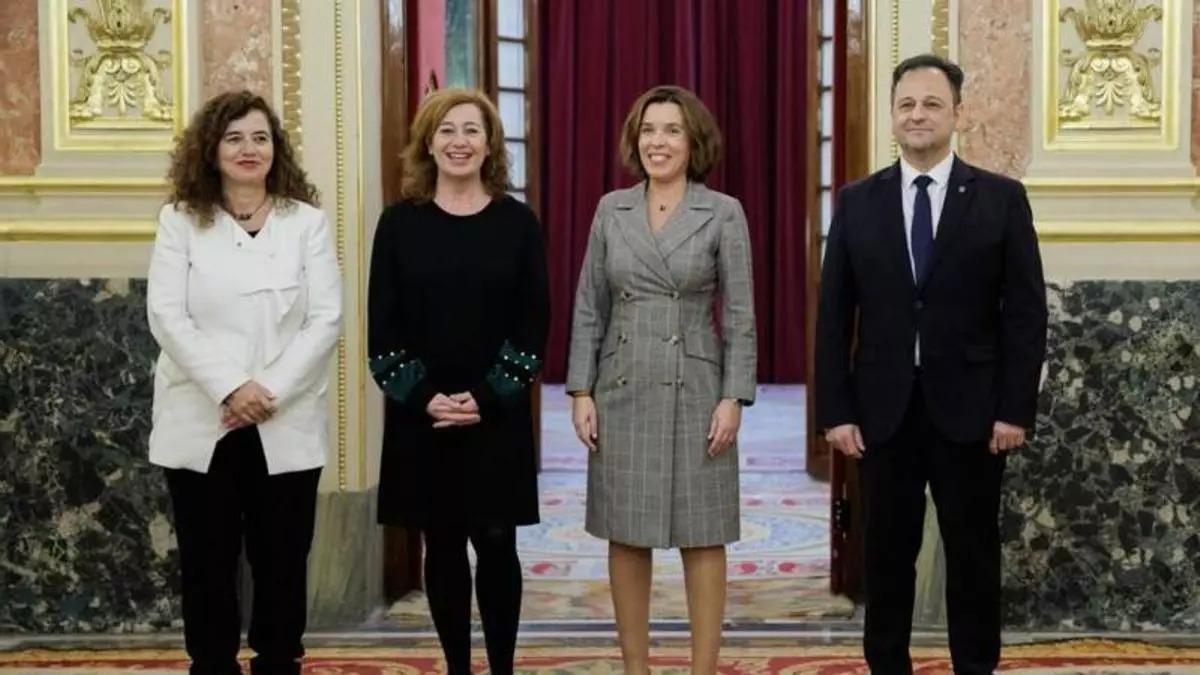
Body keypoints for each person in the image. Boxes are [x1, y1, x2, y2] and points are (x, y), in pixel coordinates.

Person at [815, 54, 1048, 674]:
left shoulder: (1001, 200)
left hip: (973, 415)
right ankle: (886, 667)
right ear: (893, 116)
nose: (918, 115)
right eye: (907, 105)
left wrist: (1014, 409)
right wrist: (836, 412)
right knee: (885, 556)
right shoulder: (857, 203)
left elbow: (1026, 315)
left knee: (973, 556)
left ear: (957, 114)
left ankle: (976, 667)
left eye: (931, 104)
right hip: (881, 415)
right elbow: (834, 317)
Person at [147, 90, 342, 675]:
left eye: (260, 137)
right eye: (234, 138)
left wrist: (265, 393)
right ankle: (211, 664)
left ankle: (279, 662)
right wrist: (232, 388)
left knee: (282, 560)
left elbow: (325, 318)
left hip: (285, 417)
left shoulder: (306, 222)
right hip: (201, 417)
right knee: (207, 562)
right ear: (211, 149)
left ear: (275, 148)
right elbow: (166, 314)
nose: (248, 149)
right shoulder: (180, 219)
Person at [566, 85, 757, 675]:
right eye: (649, 130)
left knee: (704, 533)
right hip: (622, 385)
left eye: (672, 130)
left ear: (693, 141)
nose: (658, 141)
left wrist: (734, 397)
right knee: (627, 532)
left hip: (699, 388)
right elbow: (588, 307)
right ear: (635, 139)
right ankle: (636, 668)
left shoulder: (723, 212)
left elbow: (742, 313)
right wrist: (580, 390)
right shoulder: (610, 209)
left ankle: (702, 670)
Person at [367, 88, 549, 675]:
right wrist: (428, 399)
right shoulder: (398, 225)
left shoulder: (519, 224)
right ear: (427, 142)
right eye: (446, 130)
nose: (459, 141)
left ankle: (500, 669)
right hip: (424, 418)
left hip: (494, 417)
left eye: (472, 130)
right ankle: (457, 669)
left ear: (490, 144)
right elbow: (383, 334)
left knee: (497, 543)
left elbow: (533, 327)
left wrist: (489, 397)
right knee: (441, 545)